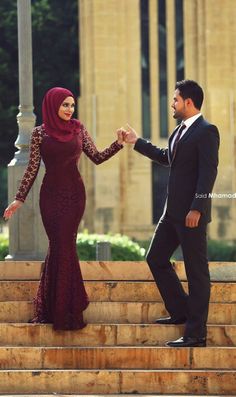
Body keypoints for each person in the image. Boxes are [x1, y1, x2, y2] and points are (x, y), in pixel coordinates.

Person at [4, 86, 124, 330]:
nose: (70, 109)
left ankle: (64, 308)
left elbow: (97, 157)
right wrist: (19, 198)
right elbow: (32, 168)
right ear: (53, 105)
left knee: (66, 245)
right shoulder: (39, 134)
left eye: (72, 105)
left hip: (75, 197)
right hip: (50, 197)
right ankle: (59, 307)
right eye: (64, 105)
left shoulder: (78, 129)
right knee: (59, 245)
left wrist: (118, 143)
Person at [121, 80, 220, 347]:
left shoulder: (207, 131)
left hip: (191, 215)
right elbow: (167, 157)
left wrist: (197, 208)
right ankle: (180, 311)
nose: (171, 104)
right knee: (155, 258)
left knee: (197, 273)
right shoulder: (179, 131)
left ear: (189, 102)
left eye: (175, 99)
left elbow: (208, 173)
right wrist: (136, 142)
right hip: (170, 214)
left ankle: (196, 334)